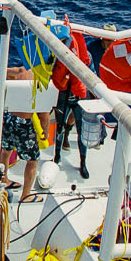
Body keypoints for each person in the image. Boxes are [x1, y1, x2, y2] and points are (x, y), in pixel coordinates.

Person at [0, 66, 45, 203]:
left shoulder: (21, 70)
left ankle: (4, 179)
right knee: (32, 161)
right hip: (23, 124)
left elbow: (4, 72)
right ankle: (26, 195)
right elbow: (44, 115)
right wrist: (45, 132)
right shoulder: (40, 80)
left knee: (6, 151)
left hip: (8, 118)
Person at [51, 28, 92, 178]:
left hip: (80, 98)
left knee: (82, 132)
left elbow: (91, 75)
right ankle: (57, 156)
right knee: (59, 129)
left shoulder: (87, 57)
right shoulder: (59, 57)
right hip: (64, 96)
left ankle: (83, 162)